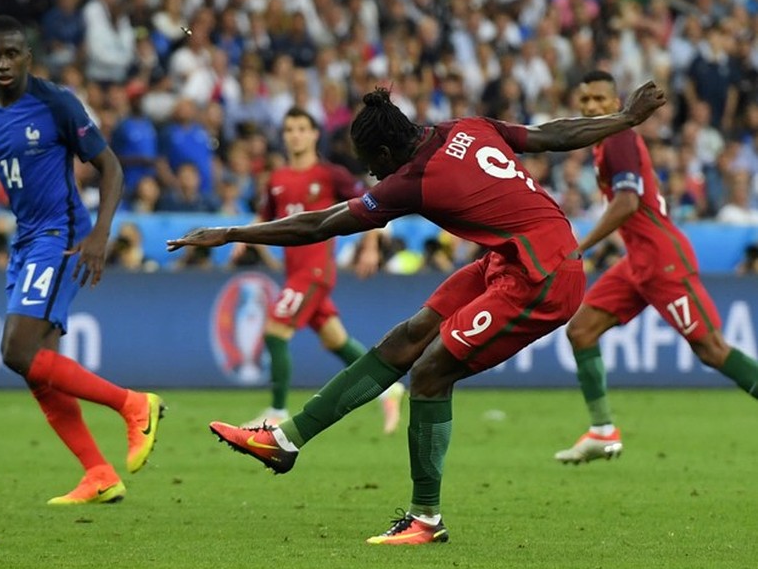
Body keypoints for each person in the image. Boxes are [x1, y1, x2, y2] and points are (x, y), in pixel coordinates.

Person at [167, 81, 667, 545]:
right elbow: (551, 135)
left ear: (385, 153)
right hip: (510, 258)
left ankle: (425, 517)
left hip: (544, 276)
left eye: (370, 163)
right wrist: (624, 117)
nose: (370, 174)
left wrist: (232, 233)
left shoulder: (412, 181)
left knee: (430, 372)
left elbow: (320, 225)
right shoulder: (466, 127)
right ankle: (285, 439)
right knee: (407, 338)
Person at [0, 15, 163, 505]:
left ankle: (134, 404)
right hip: (27, 239)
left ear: (27, 57)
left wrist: (101, 234)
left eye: (11, 54)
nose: (2, 63)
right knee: (36, 365)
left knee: (17, 351)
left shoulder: (54, 102)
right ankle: (98, 473)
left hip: (61, 237)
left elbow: (111, 167)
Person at [556, 71, 758, 463]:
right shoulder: (603, 144)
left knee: (712, 349)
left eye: (600, 99)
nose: (592, 107)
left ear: (616, 104)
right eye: (586, 101)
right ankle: (601, 431)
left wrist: (580, 246)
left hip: (663, 259)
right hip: (638, 263)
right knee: (581, 330)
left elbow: (628, 202)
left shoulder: (618, 138)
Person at [237, 106, 405, 434]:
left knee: (275, 331)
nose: (295, 135)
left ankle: (276, 411)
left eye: (301, 128)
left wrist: (370, 246)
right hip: (294, 272)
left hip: (314, 271)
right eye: (289, 129)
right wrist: (241, 236)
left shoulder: (330, 175)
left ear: (315, 134)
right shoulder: (277, 179)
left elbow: (372, 203)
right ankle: (388, 388)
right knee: (336, 340)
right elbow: (266, 218)